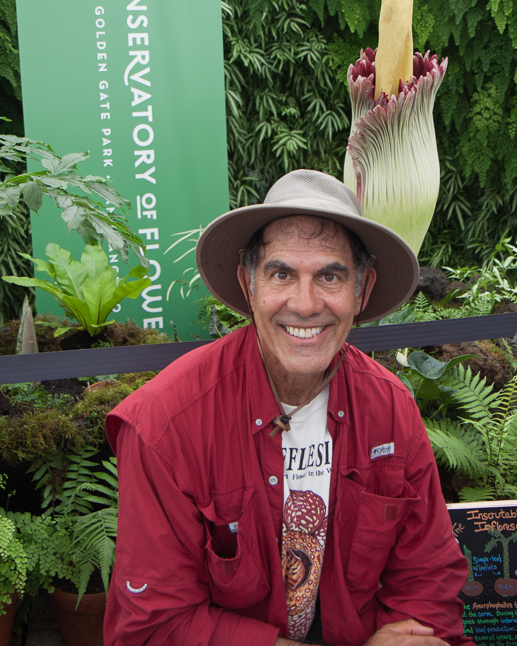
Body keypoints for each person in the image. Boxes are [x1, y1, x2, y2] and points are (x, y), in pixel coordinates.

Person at [104, 170, 474, 646]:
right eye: (282, 274)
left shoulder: (389, 408)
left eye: (330, 276)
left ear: (361, 291)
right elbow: (153, 626)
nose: (304, 304)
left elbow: (429, 579)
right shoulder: (165, 425)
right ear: (248, 284)